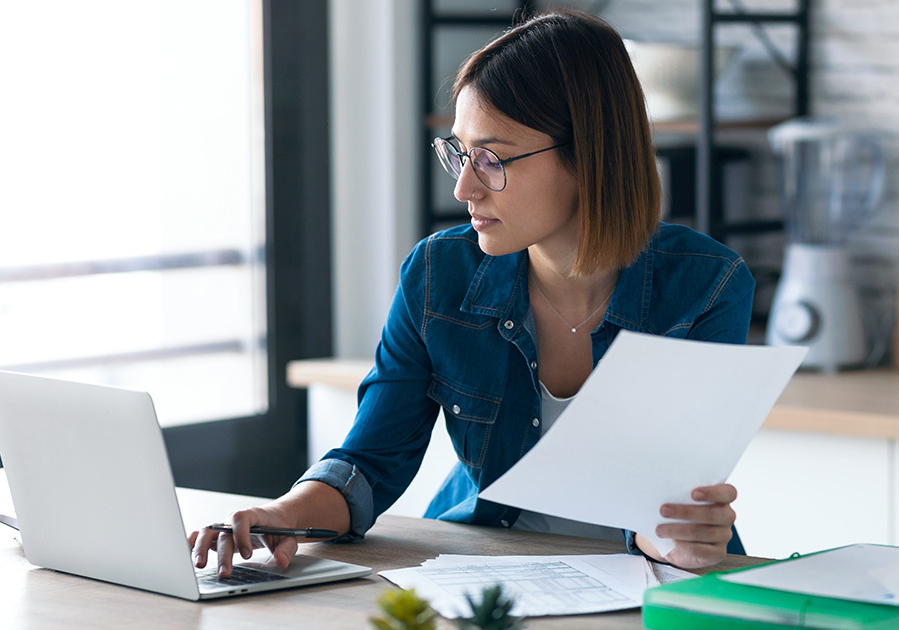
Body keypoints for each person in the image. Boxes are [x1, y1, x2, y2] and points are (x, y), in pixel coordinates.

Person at [191, 8, 755, 579]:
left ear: (588, 155)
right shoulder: (439, 274)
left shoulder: (707, 287)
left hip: (645, 582)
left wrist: (680, 541)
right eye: (460, 153)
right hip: (481, 573)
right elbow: (369, 464)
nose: (463, 186)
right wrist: (278, 516)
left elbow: (668, 508)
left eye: (491, 159)